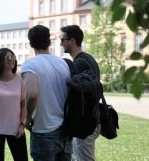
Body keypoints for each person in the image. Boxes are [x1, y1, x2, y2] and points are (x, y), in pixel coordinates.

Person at [20, 25, 72, 161]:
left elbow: (32, 94)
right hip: (65, 130)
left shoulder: (30, 64)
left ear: (31, 44)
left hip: (43, 130)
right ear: (49, 41)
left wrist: (28, 118)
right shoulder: (63, 63)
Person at [60, 25, 101, 161]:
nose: (61, 43)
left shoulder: (79, 63)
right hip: (91, 119)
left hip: (84, 123)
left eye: (63, 40)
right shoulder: (88, 59)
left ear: (72, 40)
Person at [0, 48, 28, 161]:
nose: (11, 59)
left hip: (16, 130)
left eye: (13, 57)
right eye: (8, 57)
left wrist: (22, 125)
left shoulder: (20, 80)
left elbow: (23, 104)